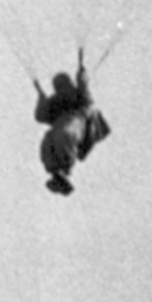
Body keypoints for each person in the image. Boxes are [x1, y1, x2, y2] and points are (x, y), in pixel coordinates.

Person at [34, 48, 111, 195]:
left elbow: (85, 91)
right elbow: (40, 115)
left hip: (78, 121)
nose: (61, 88)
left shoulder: (78, 95)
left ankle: (65, 169)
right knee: (48, 140)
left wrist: (81, 70)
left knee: (66, 132)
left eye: (63, 84)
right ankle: (55, 173)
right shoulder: (54, 103)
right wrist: (40, 94)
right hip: (60, 126)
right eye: (59, 86)